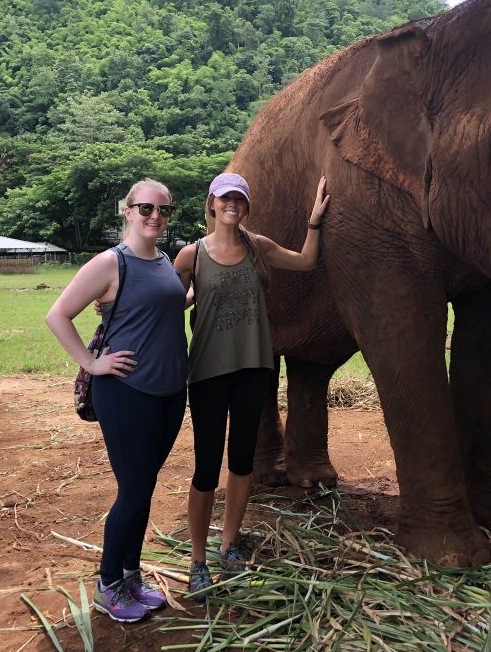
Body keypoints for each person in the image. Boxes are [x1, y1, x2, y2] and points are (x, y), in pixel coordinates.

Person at [174, 172, 329, 600]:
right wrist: (114, 298)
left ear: (245, 207)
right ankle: (198, 560)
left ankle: (229, 544)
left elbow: (306, 261)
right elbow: (166, 302)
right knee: (206, 468)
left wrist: (314, 222)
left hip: (253, 370)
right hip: (206, 372)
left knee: (242, 461)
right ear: (211, 203)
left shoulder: (257, 247)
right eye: (225, 199)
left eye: (239, 200)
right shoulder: (191, 256)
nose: (232, 206)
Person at [45, 179, 188, 623]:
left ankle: (131, 576)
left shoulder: (165, 261)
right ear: (126, 211)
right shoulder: (110, 263)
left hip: (169, 392)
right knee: (133, 491)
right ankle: (109, 583)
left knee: (143, 489)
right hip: (127, 394)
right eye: (145, 208)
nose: (155, 216)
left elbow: (166, 306)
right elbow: (57, 315)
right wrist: (92, 363)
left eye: (163, 210)